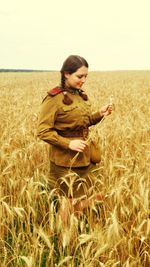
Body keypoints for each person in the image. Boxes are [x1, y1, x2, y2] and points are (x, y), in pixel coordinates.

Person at [37, 55, 113, 221]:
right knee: (70, 202)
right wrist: (68, 143)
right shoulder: (53, 99)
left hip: (85, 158)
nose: (83, 80)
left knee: (86, 197)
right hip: (65, 161)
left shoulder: (80, 95)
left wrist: (99, 114)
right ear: (66, 74)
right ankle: (61, 239)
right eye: (80, 76)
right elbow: (43, 131)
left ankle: (72, 234)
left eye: (86, 76)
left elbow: (84, 123)